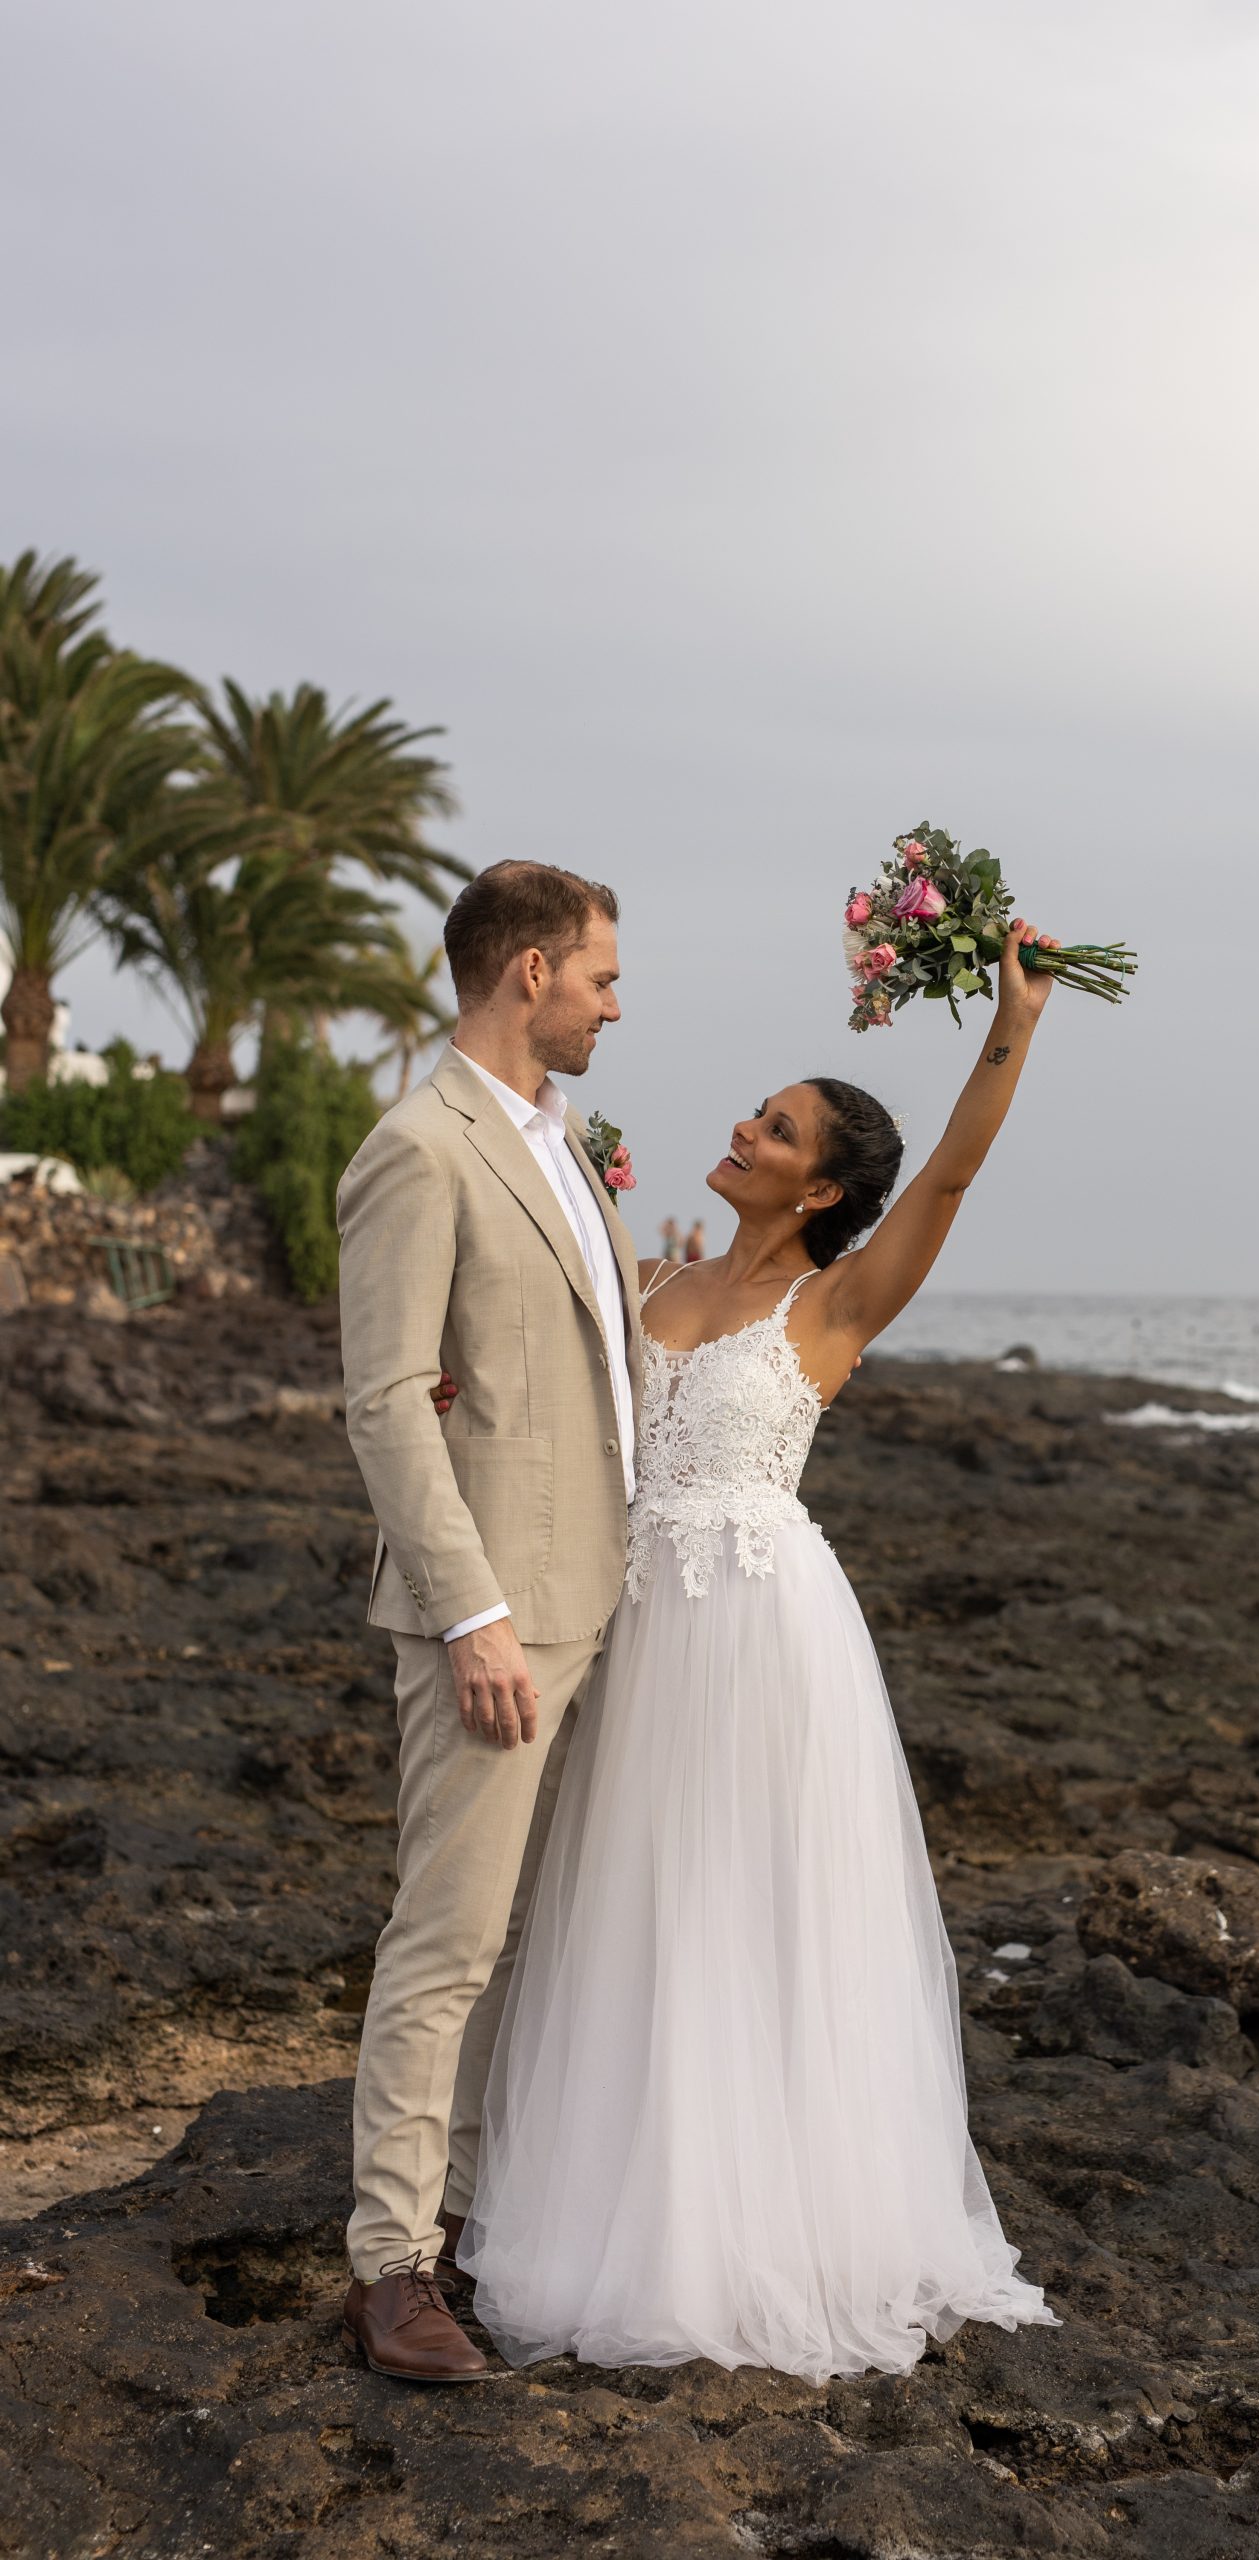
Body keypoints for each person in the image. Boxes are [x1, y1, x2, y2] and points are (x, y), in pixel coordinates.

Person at [446, 920, 1062, 2381]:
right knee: (635, 1916)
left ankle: (773, 2224)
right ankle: (632, 2200)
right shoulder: (651, 1281)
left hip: (760, 1633)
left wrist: (1013, 1022)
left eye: (775, 1128)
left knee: (752, 1916)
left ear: (824, 1187)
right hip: (636, 1627)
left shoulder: (835, 1302)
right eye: (755, 1111)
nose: (744, 1125)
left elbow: (958, 1172)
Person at [334, 860, 636, 2384]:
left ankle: (459, 2224)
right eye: (598, 975)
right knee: (447, 1942)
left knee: (530, 1948)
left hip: (606, 1597)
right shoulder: (419, 1147)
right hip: (501, 1615)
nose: (612, 1002)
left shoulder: (565, 1148)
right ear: (527, 972)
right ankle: (387, 2267)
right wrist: (473, 1616)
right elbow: (387, 1404)